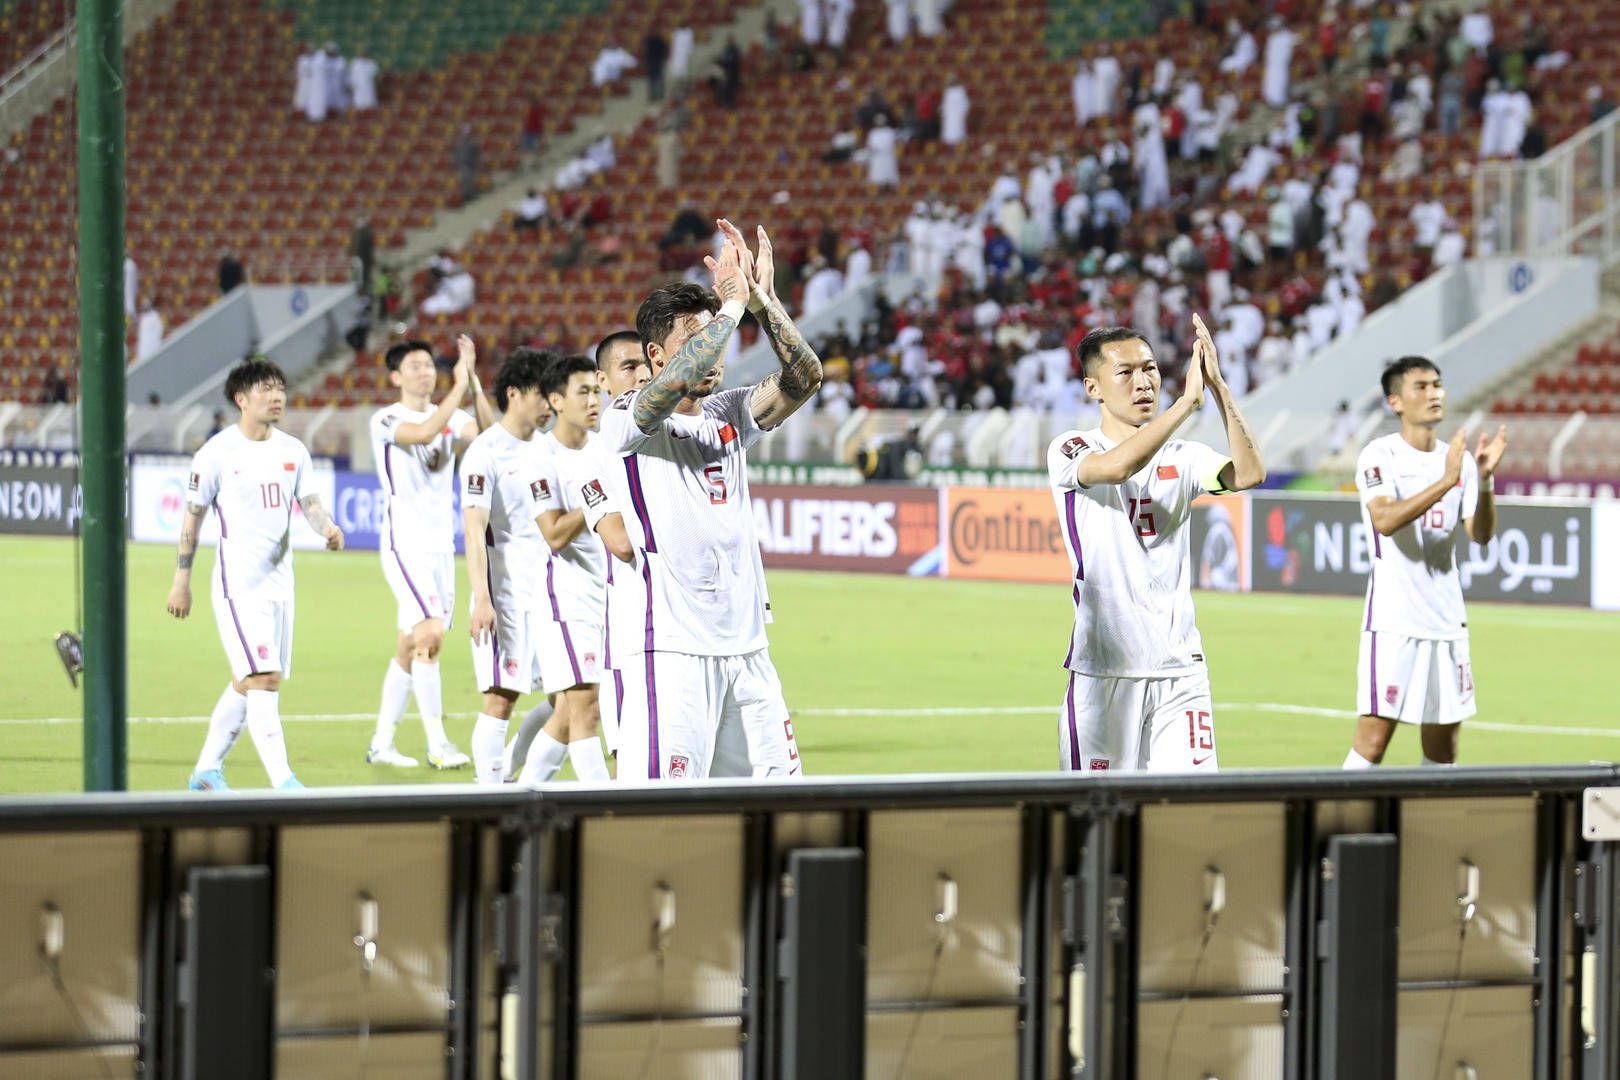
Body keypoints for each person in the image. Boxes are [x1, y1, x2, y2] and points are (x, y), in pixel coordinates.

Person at [597, 219, 821, 780]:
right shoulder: (628, 418)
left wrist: (763, 303)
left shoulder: (730, 413)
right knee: (665, 821)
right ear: (655, 353)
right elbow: (679, 379)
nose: (716, 354)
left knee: (780, 809)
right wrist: (728, 310)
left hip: (748, 651)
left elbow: (805, 377)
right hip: (672, 653)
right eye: (694, 340)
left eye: (718, 340)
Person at [1046, 318, 1267, 773]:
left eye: (1149, 369)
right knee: (1098, 819)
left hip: (1180, 669)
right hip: (1104, 670)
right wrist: (1187, 403)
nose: (1143, 382)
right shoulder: (1071, 447)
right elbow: (1117, 467)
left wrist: (1219, 388)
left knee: (1189, 813)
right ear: (1094, 388)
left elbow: (1248, 475)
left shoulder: (1182, 458)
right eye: (1125, 373)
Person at [166, 357, 344, 791]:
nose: (277, 395)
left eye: (280, 387)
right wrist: (181, 581)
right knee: (265, 678)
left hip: (282, 586)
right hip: (238, 588)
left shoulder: (293, 450)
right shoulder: (216, 454)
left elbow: (311, 505)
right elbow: (192, 519)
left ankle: (206, 770)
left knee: (246, 682)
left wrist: (329, 528)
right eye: (266, 388)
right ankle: (284, 782)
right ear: (241, 400)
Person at [1344, 358, 1508, 769]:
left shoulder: (1461, 462)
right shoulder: (1380, 455)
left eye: (1438, 384)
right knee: (1373, 742)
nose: (1434, 393)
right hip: (1394, 620)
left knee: (1442, 751)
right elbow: (1384, 519)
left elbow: (1482, 535)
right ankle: (1333, 824)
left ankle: (1429, 832)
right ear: (1395, 401)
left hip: (1448, 621)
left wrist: (1484, 481)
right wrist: (1444, 482)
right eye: (1421, 386)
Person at [364, 335, 494, 769]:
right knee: (431, 636)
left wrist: (473, 383)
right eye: (415, 365)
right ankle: (438, 744)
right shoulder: (385, 419)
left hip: (442, 546)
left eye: (428, 365)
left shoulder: (454, 417)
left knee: (410, 645)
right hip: (405, 543)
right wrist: (458, 387)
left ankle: (381, 744)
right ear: (397, 376)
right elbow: (421, 432)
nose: (425, 372)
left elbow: (491, 438)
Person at [511, 354, 617, 784]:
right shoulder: (540, 458)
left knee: (565, 713)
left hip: (607, 592)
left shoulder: (605, 448)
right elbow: (553, 533)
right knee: (586, 708)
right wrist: (597, 497)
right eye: (583, 392)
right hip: (566, 598)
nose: (595, 400)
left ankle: (515, 795)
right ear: (556, 400)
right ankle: (605, 810)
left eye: (597, 390)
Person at [460, 349, 559, 784]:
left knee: (566, 699)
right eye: (542, 394)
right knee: (502, 698)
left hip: (549, 593)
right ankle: (488, 793)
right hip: (506, 594)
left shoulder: (549, 448)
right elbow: (473, 530)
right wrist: (482, 599)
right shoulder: (485, 453)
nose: (549, 404)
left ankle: (512, 773)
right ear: (514, 394)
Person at [453, 125, 481, 204]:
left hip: (470, 165)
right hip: (462, 165)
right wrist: (456, 163)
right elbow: (455, 154)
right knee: (464, 181)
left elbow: (477, 154)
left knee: (470, 181)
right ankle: (465, 196)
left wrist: (476, 163)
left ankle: (471, 195)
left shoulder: (473, 143)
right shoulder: (458, 143)